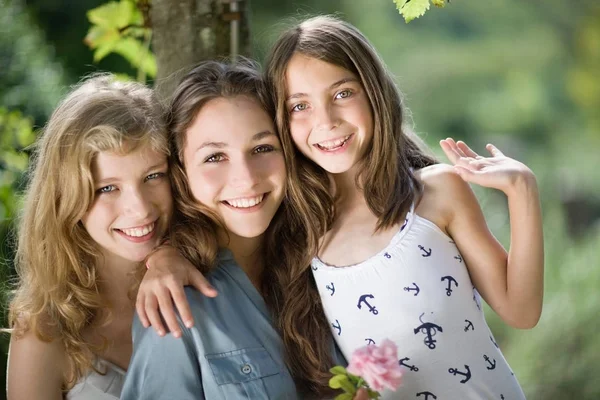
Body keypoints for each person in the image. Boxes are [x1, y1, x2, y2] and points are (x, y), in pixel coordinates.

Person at [140, 16, 544, 399]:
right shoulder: (302, 228)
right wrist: (165, 254)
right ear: (285, 121)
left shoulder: (437, 192)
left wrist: (523, 191)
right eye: (300, 106)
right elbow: (225, 225)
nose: (327, 120)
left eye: (343, 93)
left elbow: (522, 311)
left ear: (375, 93)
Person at [121, 60, 343, 399]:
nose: (247, 178)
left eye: (262, 148)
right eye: (214, 158)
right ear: (181, 171)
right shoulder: (174, 305)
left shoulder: (331, 264)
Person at [6, 75, 173, 399]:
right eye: (107, 188)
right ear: (65, 197)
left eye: (153, 176)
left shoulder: (207, 276)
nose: (139, 209)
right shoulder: (46, 330)